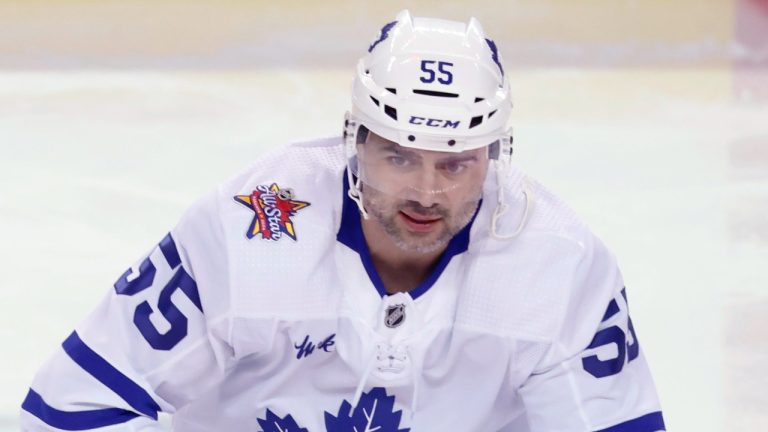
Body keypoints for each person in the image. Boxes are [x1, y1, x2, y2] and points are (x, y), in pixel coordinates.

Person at [20, 10, 665, 432]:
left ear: (494, 157)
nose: (425, 192)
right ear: (355, 141)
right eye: (398, 156)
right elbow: (73, 406)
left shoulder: (557, 265)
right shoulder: (254, 229)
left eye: (455, 165)